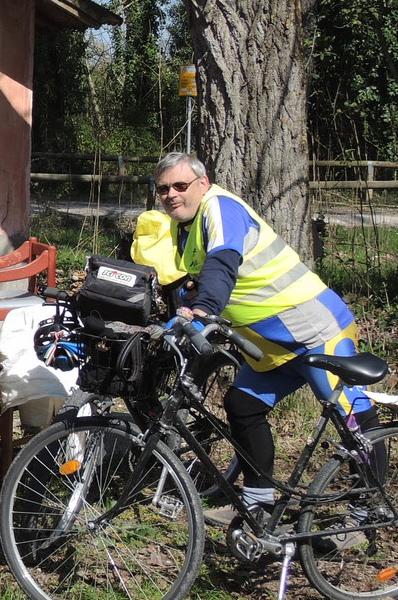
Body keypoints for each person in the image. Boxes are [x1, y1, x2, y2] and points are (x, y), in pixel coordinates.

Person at [141, 152, 383, 522]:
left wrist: (205, 308)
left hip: (312, 330)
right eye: (163, 189)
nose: (171, 194)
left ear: (202, 184)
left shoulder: (219, 208)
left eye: (179, 185)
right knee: (243, 406)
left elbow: (224, 261)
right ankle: (258, 501)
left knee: (351, 416)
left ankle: (370, 511)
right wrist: (190, 301)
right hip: (270, 343)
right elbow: (209, 276)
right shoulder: (184, 225)